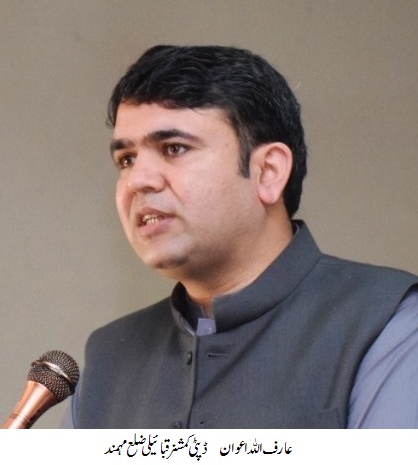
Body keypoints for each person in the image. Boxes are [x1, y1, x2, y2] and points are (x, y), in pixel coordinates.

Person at [64, 45, 418, 428]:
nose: (137, 180)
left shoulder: (387, 323)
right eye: (127, 160)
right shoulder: (109, 361)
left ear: (268, 172)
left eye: (174, 148)